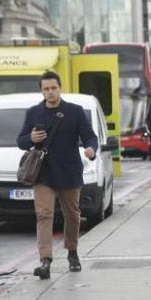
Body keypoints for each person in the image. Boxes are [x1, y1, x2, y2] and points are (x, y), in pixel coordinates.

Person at [16, 70, 98, 279]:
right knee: (44, 214)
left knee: (72, 215)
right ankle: (45, 260)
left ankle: (72, 251)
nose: (50, 92)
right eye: (46, 89)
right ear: (41, 91)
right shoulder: (33, 113)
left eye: (53, 88)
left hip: (69, 171)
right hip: (43, 173)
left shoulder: (75, 111)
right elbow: (20, 141)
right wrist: (31, 138)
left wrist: (91, 149)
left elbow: (89, 136)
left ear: (60, 88)